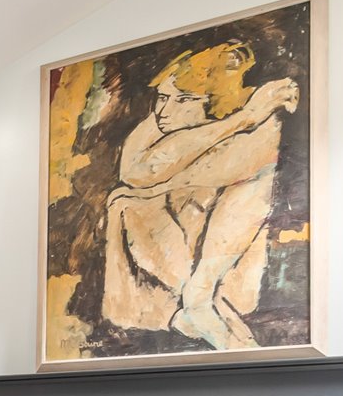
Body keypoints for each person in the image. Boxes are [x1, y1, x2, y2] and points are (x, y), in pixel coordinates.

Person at [102, 40, 299, 349]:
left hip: (218, 259)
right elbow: (135, 172)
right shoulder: (168, 121)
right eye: (162, 97)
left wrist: (172, 174)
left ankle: (199, 298)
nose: (164, 110)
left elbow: (237, 169)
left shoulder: (263, 122)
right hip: (166, 262)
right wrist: (242, 119)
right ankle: (196, 306)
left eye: (184, 99)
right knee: (126, 199)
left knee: (250, 185)